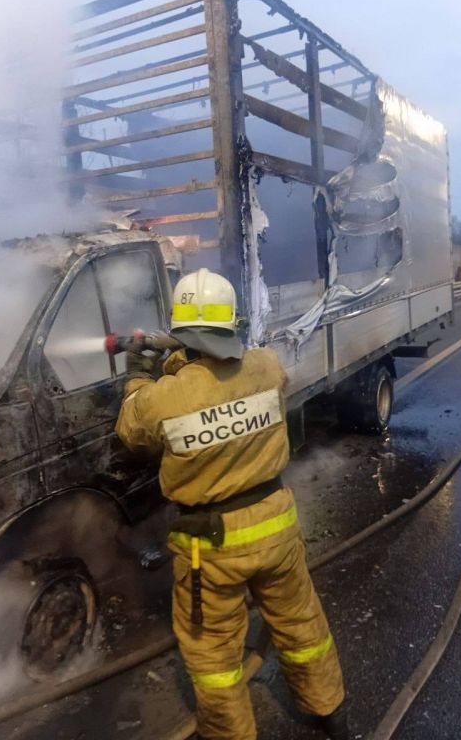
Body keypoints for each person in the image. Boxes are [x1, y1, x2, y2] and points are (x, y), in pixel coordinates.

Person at [115, 268, 347, 740]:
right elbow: (226, 381)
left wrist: (141, 373)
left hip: (211, 551)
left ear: (182, 332)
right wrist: (189, 359)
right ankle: (331, 713)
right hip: (276, 527)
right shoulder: (266, 366)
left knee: (214, 659)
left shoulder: (166, 397)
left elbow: (132, 430)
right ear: (232, 323)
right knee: (303, 627)